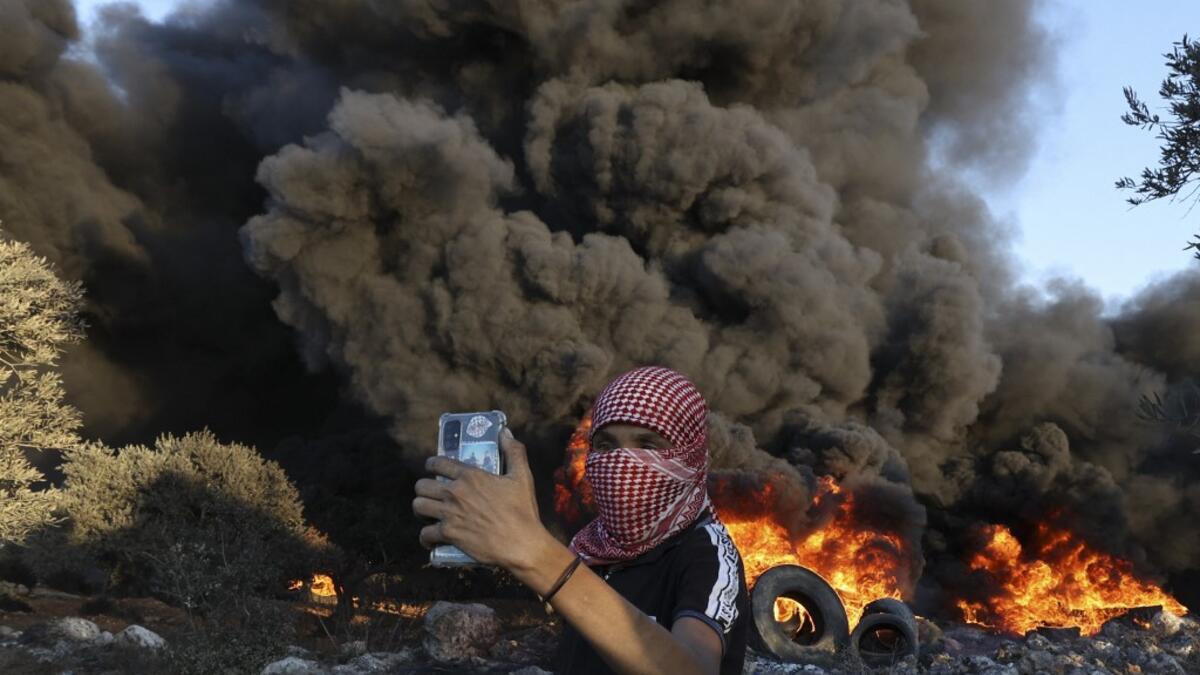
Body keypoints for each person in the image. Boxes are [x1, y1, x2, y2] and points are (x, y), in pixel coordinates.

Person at [414, 366, 749, 674]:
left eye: (648, 444)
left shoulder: (707, 552)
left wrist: (535, 553)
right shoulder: (594, 545)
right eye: (605, 444)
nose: (621, 461)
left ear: (692, 456)